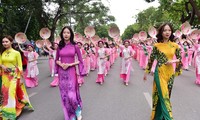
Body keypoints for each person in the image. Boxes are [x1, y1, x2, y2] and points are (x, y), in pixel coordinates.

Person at [143, 23, 182, 120]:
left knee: (167, 95)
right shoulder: (157, 46)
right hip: (159, 72)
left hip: (170, 73)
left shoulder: (175, 46)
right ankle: (169, 118)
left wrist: (173, 61)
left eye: (169, 30)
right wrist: (146, 72)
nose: (167, 32)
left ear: (171, 31)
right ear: (161, 32)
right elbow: (151, 59)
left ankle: (159, 117)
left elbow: (180, 59)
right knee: (164, 96)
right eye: (165, 30)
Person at [54, 26, 85, 120]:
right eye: (64, 33)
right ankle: (70, 114)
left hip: (71, 72)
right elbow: (56, 60)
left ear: (71, 34)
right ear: (62, 34)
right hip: (62, 73)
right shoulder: (60, 46)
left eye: (68, 32)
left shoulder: (75, 46)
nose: (66, 34)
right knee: (65, 95)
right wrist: (61, 64)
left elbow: (80, 60)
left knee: (71, 95)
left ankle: (78, 110)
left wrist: (70, 64)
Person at [0, 36, 33, 119]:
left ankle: (10, 112)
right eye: (3, 42)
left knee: (11, 92)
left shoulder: (16, 53)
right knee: (5, 93)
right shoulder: (2, 53)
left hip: (14, 76)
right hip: (5, 76)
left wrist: (21, 78)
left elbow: (20, 66)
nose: (4, 43)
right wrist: (2, 66)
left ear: (11, 42)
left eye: (6, 41)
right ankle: (10, 107)